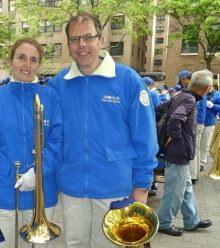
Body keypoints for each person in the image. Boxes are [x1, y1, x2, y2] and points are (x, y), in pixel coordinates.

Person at [48, 12, 158, 247]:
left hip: (115, 188)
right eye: (75, 39)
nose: (82, 45)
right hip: (72, 186)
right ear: (68, 45)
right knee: (74, 243)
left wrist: (141, 187)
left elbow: (145, 137)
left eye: (88, 37)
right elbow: (51, 136)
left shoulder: (128, 79)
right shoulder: (57, 84)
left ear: (101, 40)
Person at [0, 38, 62, 248]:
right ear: (11, 60)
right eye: (21, 57)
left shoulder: (51, 97)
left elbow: (58, 142)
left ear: (39, 64)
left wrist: (39, 171)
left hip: (42, 191)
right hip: (1, 190)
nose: (27, 64)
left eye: (33, 59)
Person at [156, 69, 213, 237]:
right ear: (207, 87)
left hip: (177, 153)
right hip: (178, 153)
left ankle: (192, 220)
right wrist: (173, 136)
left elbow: (158, 109)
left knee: (185, 188)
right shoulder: (189, 99)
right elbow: (175, 120)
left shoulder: (181, 95)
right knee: (174, 190)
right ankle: (164, 222)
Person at [199, 86, 220, 171]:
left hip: (209, 122)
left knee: (205, 144)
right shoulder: (200, 91)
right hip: (198, 121)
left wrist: (213, 106)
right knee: (196, 143)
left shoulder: (216, 94)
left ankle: (201, 162)